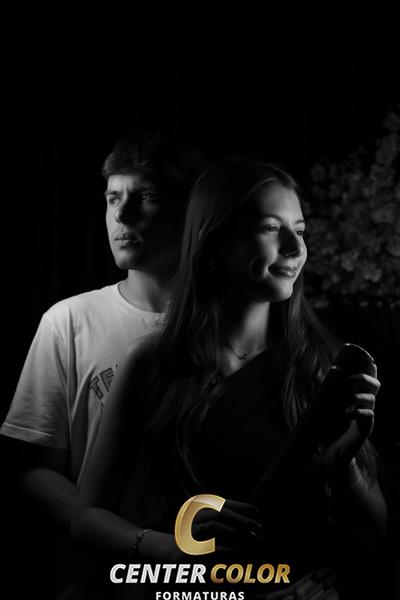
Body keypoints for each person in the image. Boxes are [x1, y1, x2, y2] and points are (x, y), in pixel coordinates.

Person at [72, 158, 387, 599]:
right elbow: (86, 517)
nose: (295, 248)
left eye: (300, 230)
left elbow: (372, 536)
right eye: (271, 228)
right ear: (214, 241)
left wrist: (342, 463)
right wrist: (167, 549)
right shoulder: (152, 363)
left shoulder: (318, 367)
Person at [1, 130, 204, 598]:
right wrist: (128, 539)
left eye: (145, 196)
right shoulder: (69, 321)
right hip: (98, 583)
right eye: (113, 198)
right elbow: (33, 467)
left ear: (192, 211)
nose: (122, 215)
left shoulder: (230, 326)